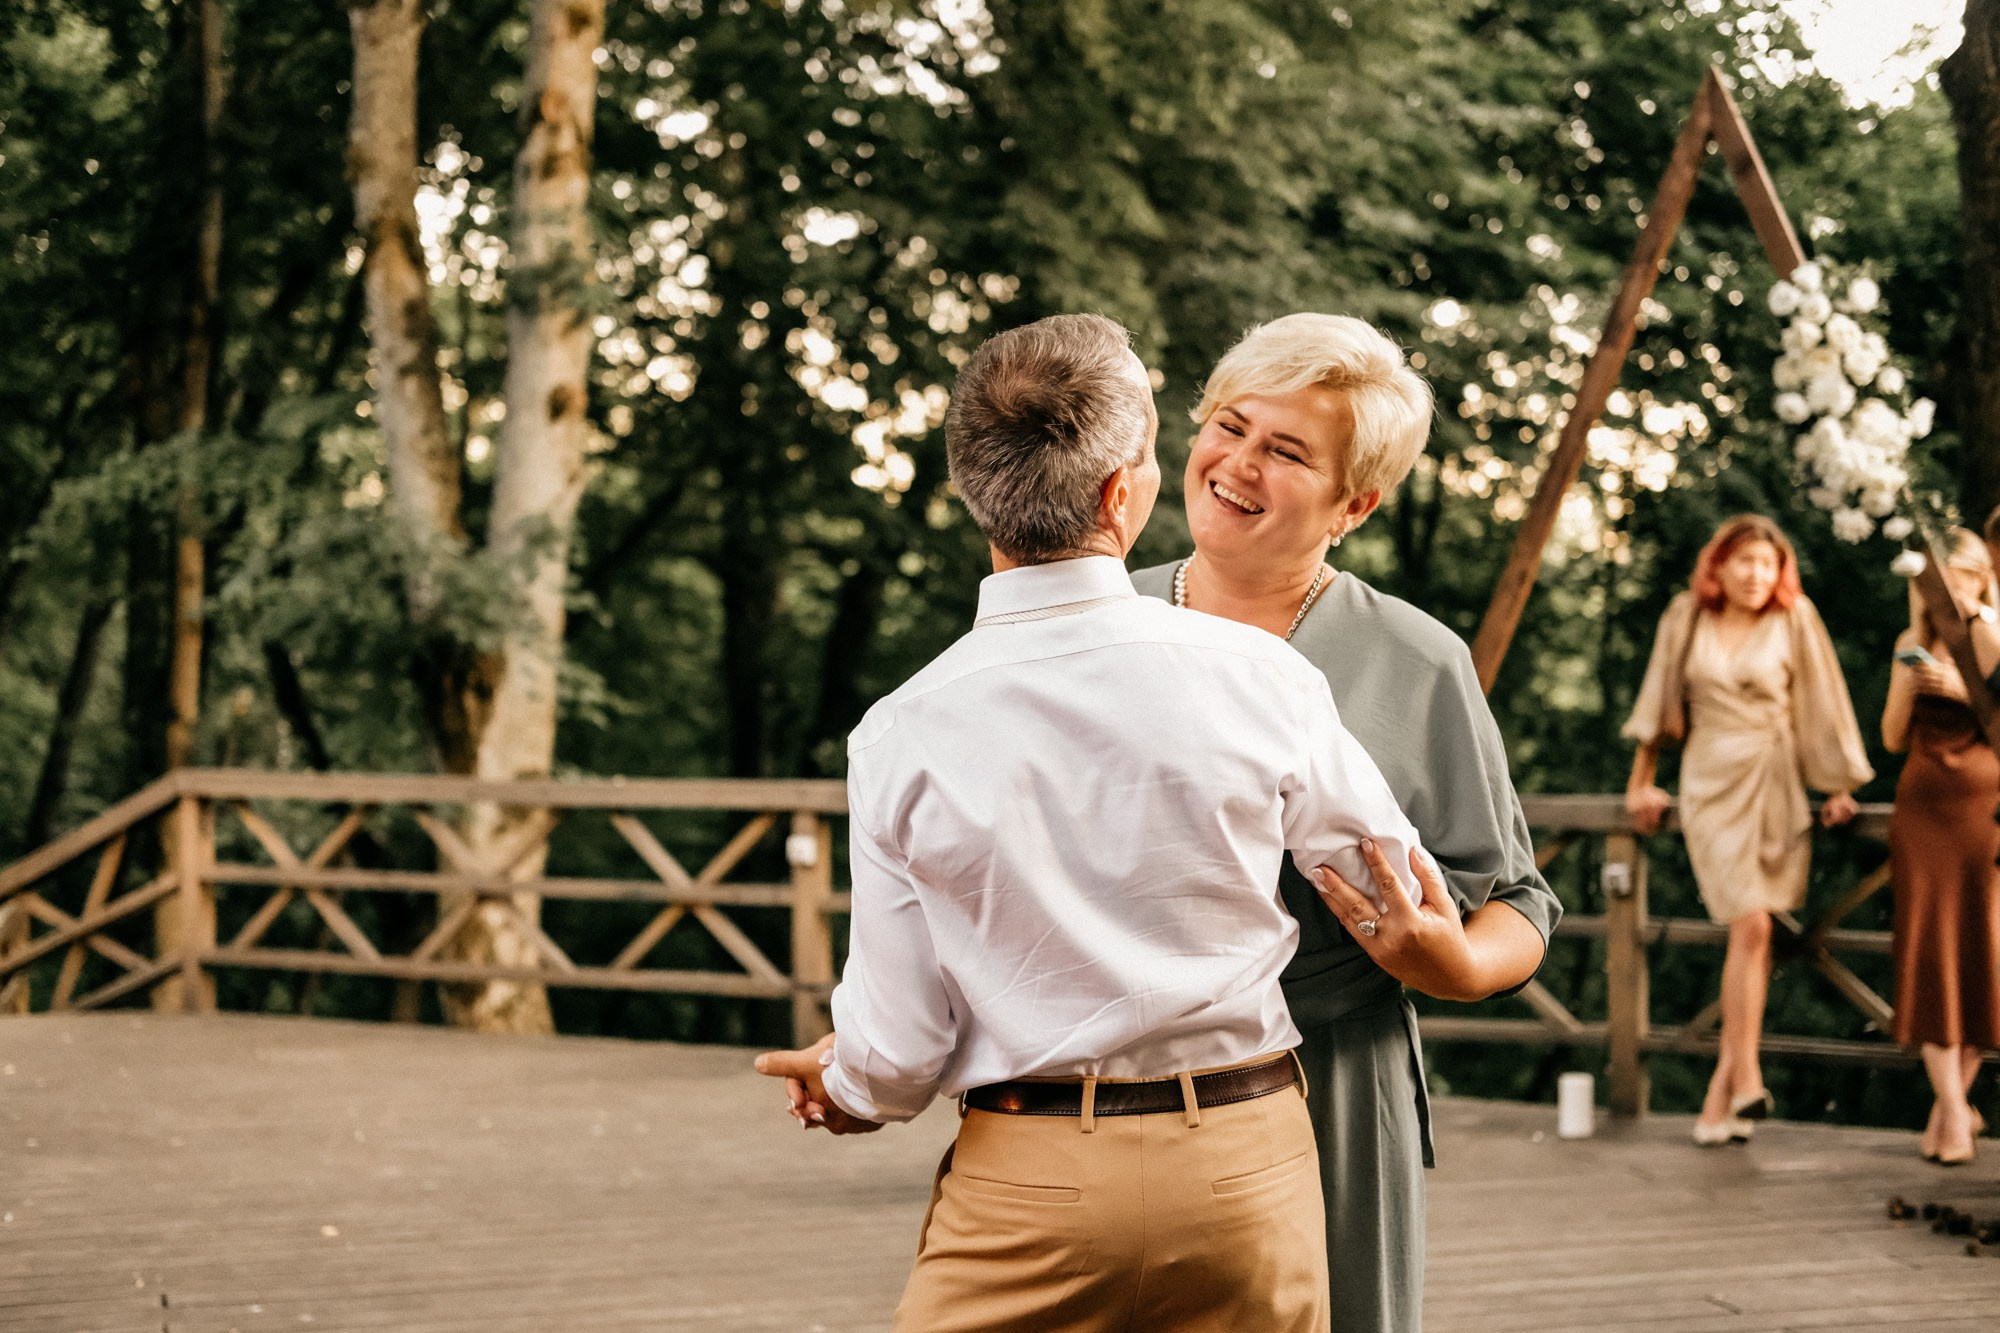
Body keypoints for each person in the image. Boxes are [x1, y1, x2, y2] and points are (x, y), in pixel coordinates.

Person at [755, 312, 1434, 1331]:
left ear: (971, 488)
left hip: (1031, 1182)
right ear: (1123, 492)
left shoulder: (900, 731)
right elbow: (1395, 886)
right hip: (1242, 1165)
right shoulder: (1259, 674)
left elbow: (898, 1052)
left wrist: (844, 1081)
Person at [1131, 312, 1561, 1333]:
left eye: (1284, 451)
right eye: (1228, 426)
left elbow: (1516, 899)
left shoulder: (1416, 662)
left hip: (1326, 1074)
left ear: (1353, 501)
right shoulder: (1095, 618)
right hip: (1117, 1076)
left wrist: (1453, 964)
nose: (1236, 463)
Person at [1624, 515, 1873, 1145]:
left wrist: (1839, 783)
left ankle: (1724, 1094)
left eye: (1768, 564)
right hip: (1709, 780)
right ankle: (1746, 1074)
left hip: (1775, 777)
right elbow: (1658, 699)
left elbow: (1824, 701)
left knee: (1753, 931)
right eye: (1744, 562)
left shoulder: (1795, 618)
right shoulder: (1686, 615)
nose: (1756, 575)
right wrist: (1640, 781)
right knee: (1751, 924)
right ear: (1720, 566)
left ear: (1780, 571)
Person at [1883, 527, 2000, 1165]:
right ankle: (1955, 1110)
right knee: (1928, 952)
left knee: (1982, 952)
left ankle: (1950, 1108)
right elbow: (1893, 736)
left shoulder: (1992, 636)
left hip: (1986, 811)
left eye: (1965, 574)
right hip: (1922, 812)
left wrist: (1967, 696)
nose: (1952, 587)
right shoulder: (1911, 642)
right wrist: (1913, 686)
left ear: (1982, 580)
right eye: (1942, 575)